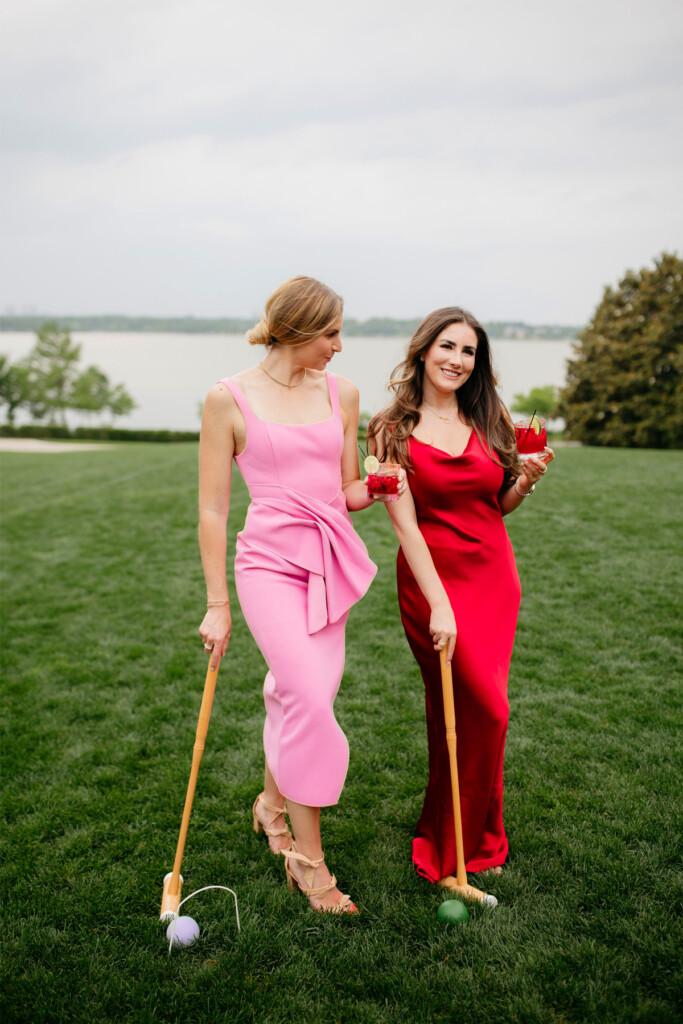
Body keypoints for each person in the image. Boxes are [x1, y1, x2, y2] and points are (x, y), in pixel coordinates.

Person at [197, 276, 405, 913]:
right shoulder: (227, 399)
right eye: (331, 333)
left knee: (301, 696)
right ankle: (309, 864)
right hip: (267, 565)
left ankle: (270, 805)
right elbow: (212, 510)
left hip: (328, 560)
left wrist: (380, 483)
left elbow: (344, 490)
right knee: (311, 700)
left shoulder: (342, 393)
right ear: (296, 329)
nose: (339, 346)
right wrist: (217, 604)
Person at [367, 307, 555, 889]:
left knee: (486, 714)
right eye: (447, 346)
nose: (457, 359)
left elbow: (495, 505)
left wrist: (524, 481)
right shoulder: (390, 428)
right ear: (424, 350)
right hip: (431, 584)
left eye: (468, 351)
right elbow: (405, 525)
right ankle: (449, 842)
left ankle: (474, 837)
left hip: (495, 580)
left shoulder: (489, 416)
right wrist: (441, 603)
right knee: (469, 709)